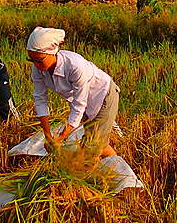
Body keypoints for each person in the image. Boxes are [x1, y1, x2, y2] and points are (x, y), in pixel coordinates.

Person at [27, 26, 120, 160]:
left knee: (90, 148)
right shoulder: (38, 70)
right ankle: (120, 172)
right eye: (32, 60)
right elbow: (40, 99)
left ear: (52, 52)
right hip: (85, 102)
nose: (35, 65)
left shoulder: (75, 66)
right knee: (98, 144)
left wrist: (62, 137)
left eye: (39, 60)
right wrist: (47, 135)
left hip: (103, 95)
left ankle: (96, 175)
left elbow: (79, 105)